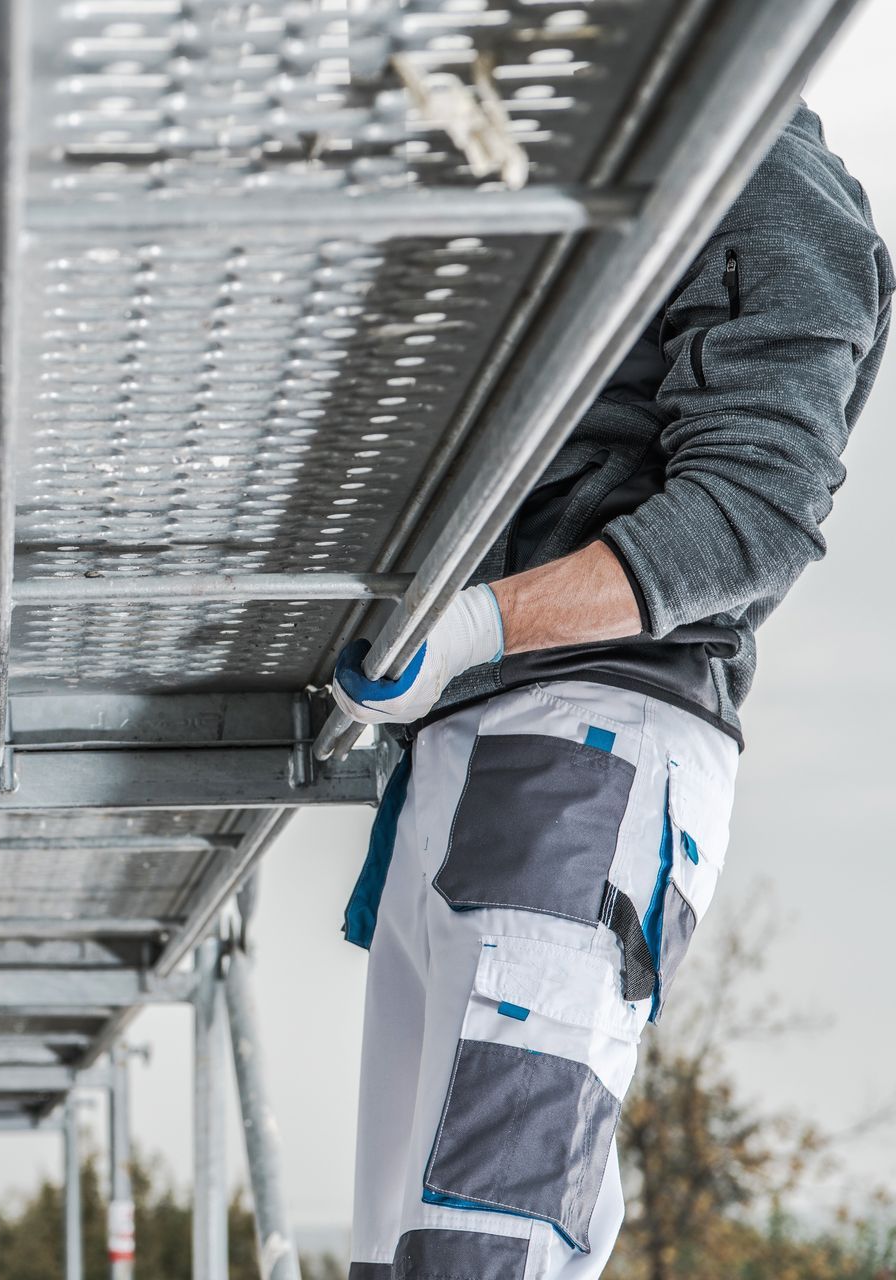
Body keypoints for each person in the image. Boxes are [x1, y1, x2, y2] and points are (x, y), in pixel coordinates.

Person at [329, 104, 891, 1280]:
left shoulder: (762, 170)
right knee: (406, 1253)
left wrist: (478, 622)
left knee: (480, 1251)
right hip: (471, 745)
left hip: (581, 750)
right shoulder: (579, 150)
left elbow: (756, 509)